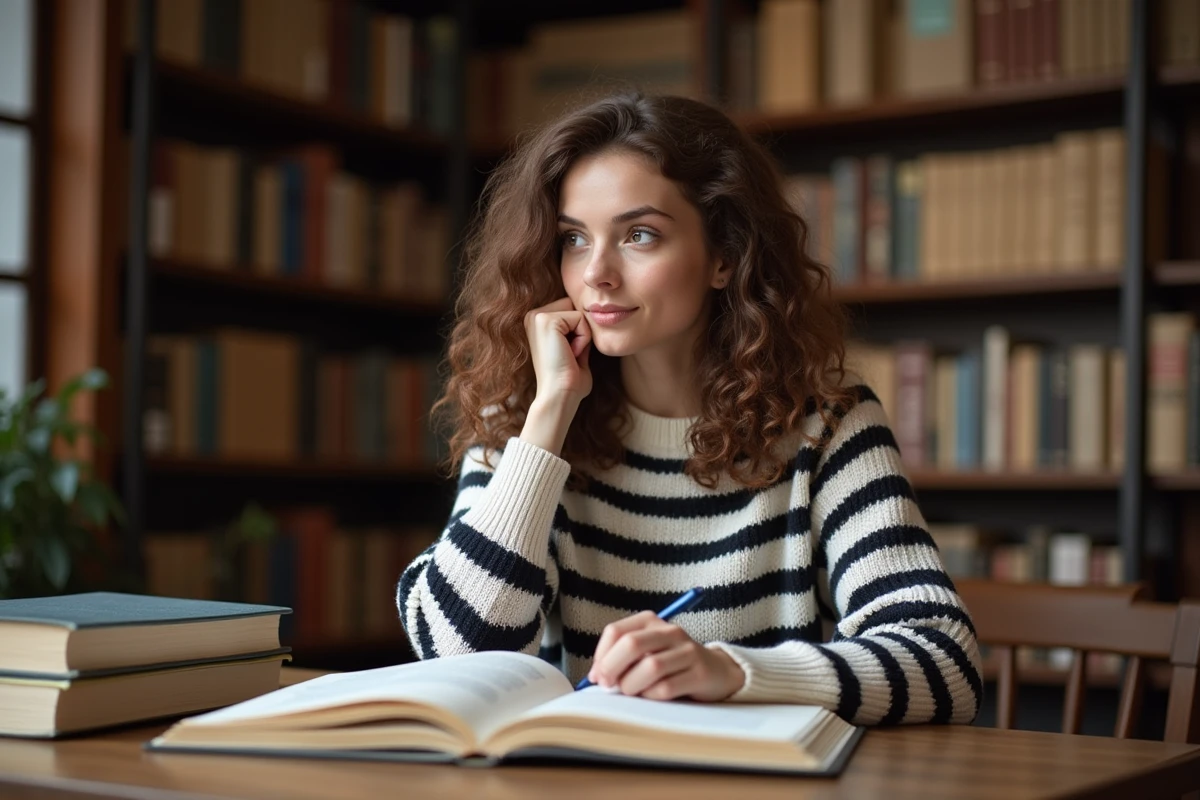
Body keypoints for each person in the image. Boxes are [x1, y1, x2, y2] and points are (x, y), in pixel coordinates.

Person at [397, 92, 981, 725]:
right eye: (573, 239)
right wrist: (548, 420)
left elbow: (945, 662)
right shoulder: (530, 421)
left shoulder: (826, 424)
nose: (596, 274)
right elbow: (456, 655)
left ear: (724, 257)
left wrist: (731, 673)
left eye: (639, 235)